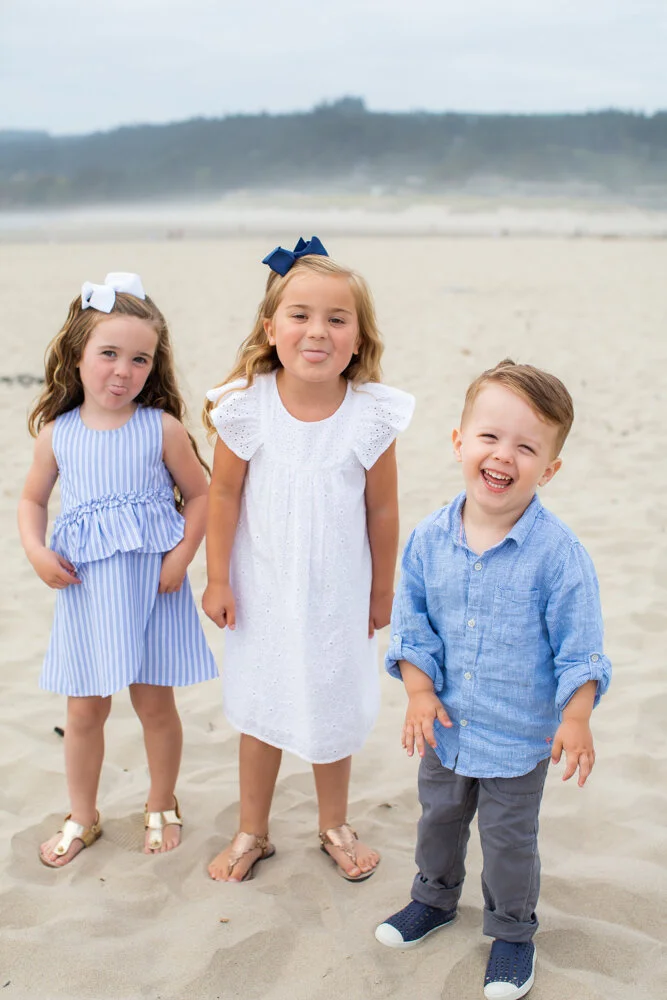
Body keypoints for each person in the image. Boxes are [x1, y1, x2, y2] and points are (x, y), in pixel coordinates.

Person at [374, 360, 611, 1000]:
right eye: (489, 437)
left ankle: (512, 934)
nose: (503, 455)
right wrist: (419, 691)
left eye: (526, 447)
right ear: (459, 442)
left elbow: (579, 649)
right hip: (446, 727)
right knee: (438, 821)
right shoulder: (427, 540)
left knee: (509, 843)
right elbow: (413, 626)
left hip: (515, 739)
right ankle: (434, 899)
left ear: (549, 469)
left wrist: (577, 715)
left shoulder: (558, 556)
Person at [202, 237, 415, 882]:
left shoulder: (370, 417)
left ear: (358, 337)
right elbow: (223, 496)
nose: (316, 331)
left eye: (336, 318)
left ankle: (333, 823)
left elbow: (383, 510)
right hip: (262, 590)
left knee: (332, 704)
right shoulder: (247, 406)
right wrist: (215, 577)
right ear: (271, 328)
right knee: (262, 704)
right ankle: (252, 830)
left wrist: (382, 590)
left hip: (337, 596)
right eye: (299, 315)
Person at [18, 272, 217, 868]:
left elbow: (202, 496)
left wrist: (181, 558)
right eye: (108, 354)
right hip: (87, 592)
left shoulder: (161, 429)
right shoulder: (58, 436)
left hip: (153, 589)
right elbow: (31, 500)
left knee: (155, 704)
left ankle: (162, 801)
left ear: (152, 366)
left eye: (139, 359)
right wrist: (34, 550)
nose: (122, 371)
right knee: (85, 710)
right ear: (76, 356)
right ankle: (83, 813)